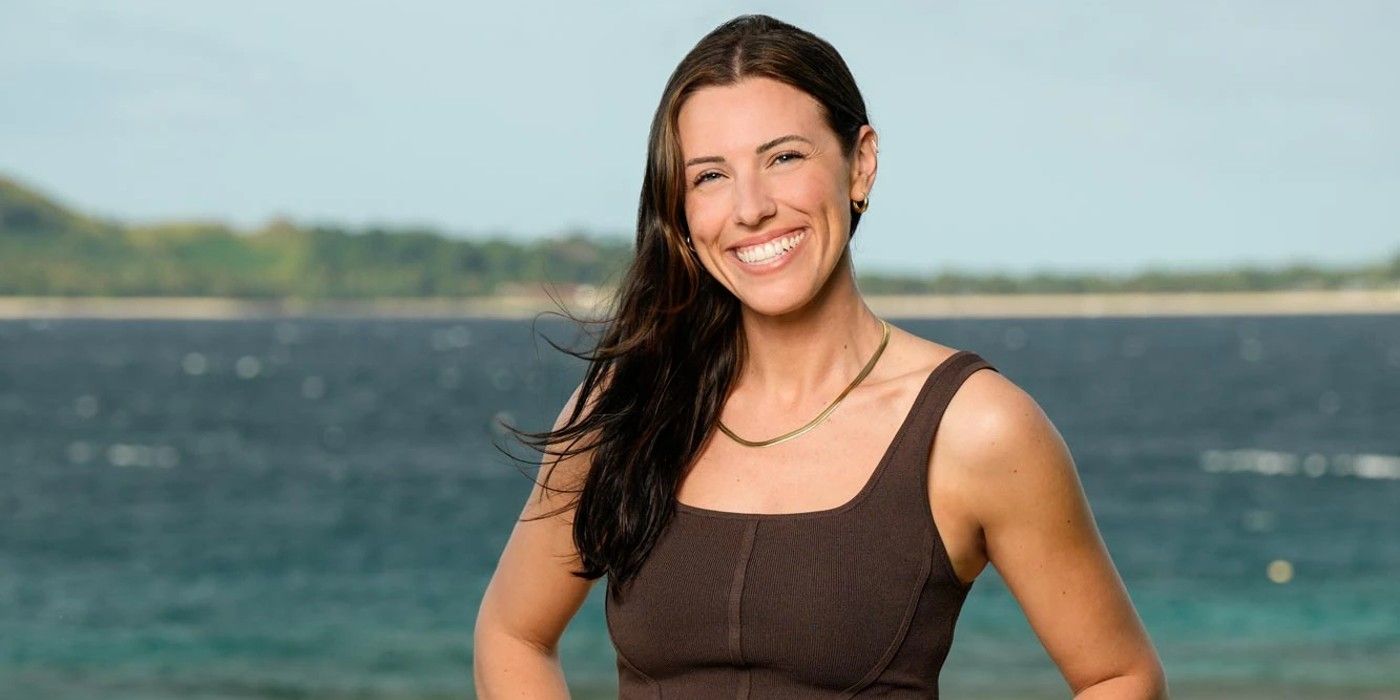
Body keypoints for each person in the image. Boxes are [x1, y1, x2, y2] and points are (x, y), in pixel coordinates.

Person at [474, 13, 1168, 699]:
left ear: (859, 163)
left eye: (784, 158)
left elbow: (1120, 677)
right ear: (681, 211)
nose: (751, 209)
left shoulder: (976, 429)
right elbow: (512, 635)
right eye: (710, 176)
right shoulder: (627, 406)